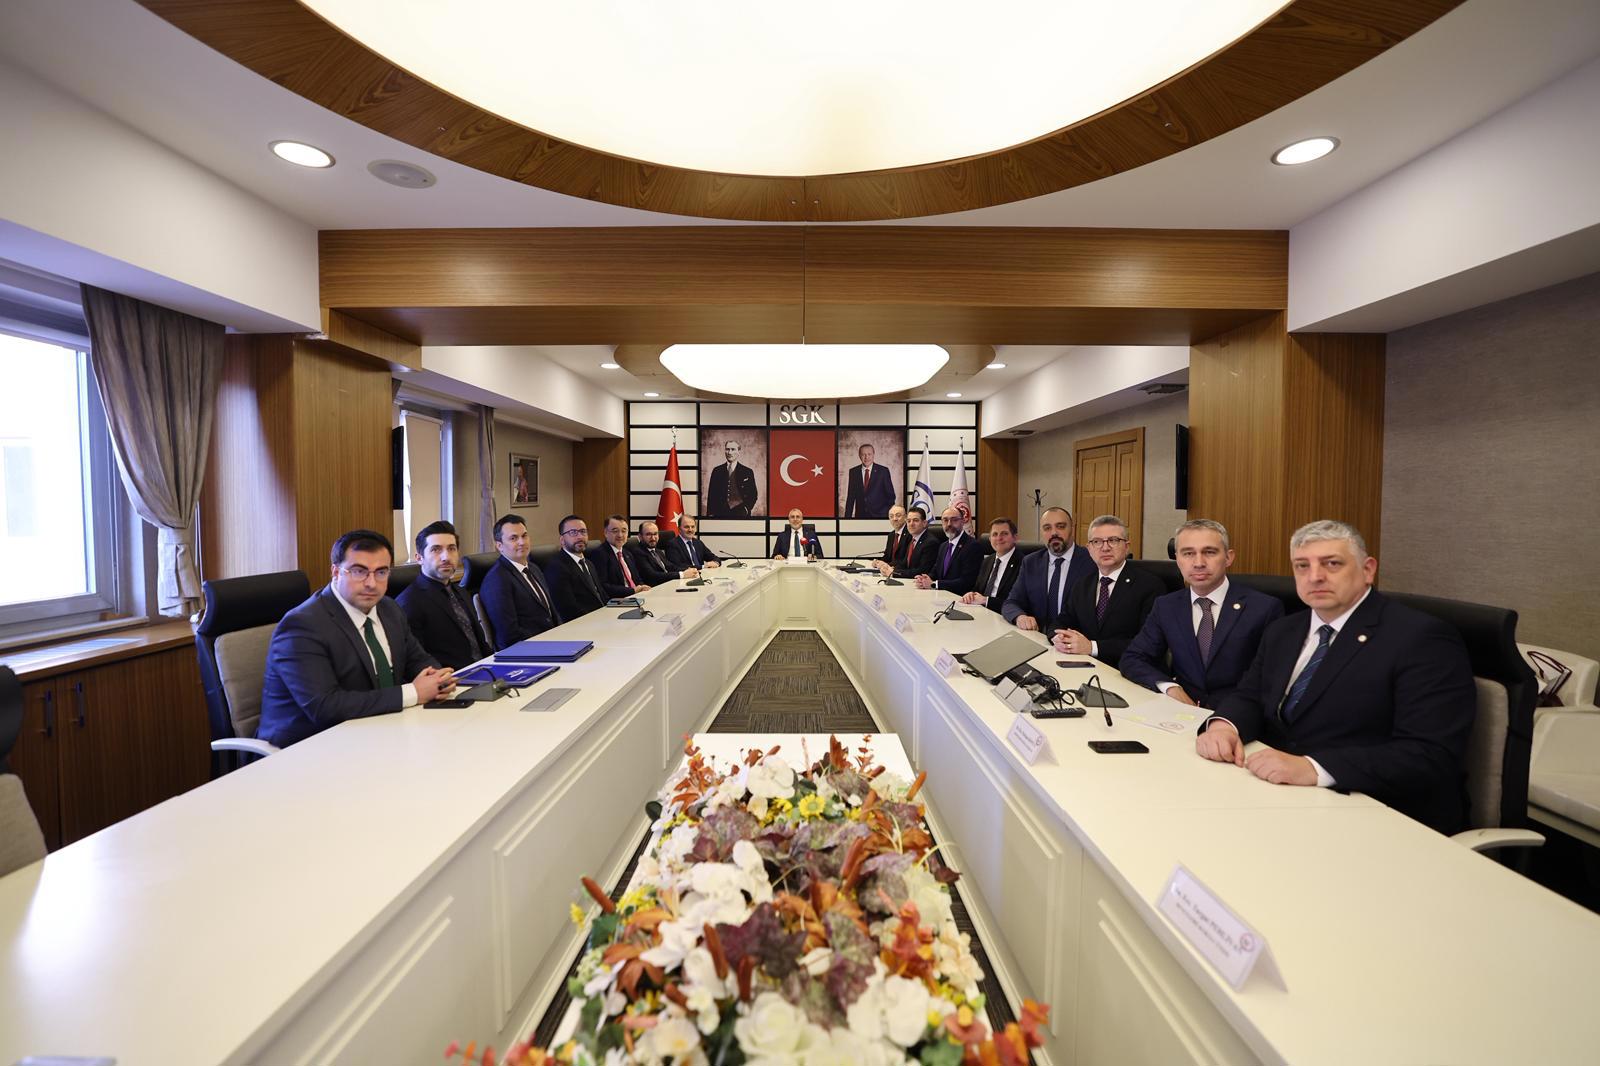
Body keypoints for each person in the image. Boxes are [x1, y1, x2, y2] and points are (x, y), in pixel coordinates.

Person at [1195, 520, 1477, 835]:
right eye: (1302, 566)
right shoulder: (1284, 630)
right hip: (1284, 800)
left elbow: (1429, 753)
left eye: (1332, 564)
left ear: (1368, 570)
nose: (1315, 576)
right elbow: (1251, 694)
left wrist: (1314, 768)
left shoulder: (1422, 638)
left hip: (1380, 814)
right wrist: (1225, 725)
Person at [258, 530, 453, 749]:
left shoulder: (388, 608)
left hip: (379, 731)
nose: (371, 583)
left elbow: (416, 658)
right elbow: (325, 707)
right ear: (336, 572)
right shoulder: (302, 626)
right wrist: (414, 692)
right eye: (359, 571)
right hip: (309, 747)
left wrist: (437, 678)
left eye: (381, 572)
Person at [1120, 519, 1284, 706]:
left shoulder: (1264, 608)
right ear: (1177, 559)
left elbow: (1271, 678)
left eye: (1209, 552)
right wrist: (1170, 687)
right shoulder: (1167, 606)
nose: (1198, 563)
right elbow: (1133, 658)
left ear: (1228, 557)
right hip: (1183, 713)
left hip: (1238, 716)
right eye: (1188, 553)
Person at [1052, 514, 1165, 667]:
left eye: (1113, 540)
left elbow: (1149, 643)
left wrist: (1092, 647)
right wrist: (1058, 637)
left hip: (1128, 671)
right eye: (1097, 542)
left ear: (1127, 546)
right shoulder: (1082, 585)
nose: (1105, 548)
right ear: (1089, 549)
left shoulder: (1150, 586)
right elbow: (1062, 621)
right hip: (1084, 667)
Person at [396, 519, 491, 669]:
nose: (446, 557)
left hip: (486, 669)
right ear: (419, 558)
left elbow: (481, 644)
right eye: (436, 550)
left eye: (452, 549)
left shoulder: (460, 591)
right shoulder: (409, 603)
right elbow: (415, 662)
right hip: (450, 678)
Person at [1002, 506, 1093, 631]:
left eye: (1060, 526)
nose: (1054, 533)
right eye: (1047, 528)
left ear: (1072, 529)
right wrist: (1020, 617)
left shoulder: (1091, 561)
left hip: (1076, 639)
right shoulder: (1030, 562)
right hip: (1037, 636)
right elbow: (1011, 602)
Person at [479, 513, 560, 649]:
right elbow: (509, 635)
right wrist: (547, 644)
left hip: (552, 642)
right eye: (513, 538)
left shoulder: (534, 568)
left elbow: (551, 614)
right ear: (499, 546)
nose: (522, 542)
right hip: (525, 651)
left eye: (524, 536)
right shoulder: (497, 580)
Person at [545, 514, 608, 621]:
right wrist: (599, 619)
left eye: (583, 531)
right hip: (584, 623)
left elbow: (601, 595)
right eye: (573, 532)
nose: (580, 537)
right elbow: (568, 609)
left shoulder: (589, 563)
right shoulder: (557, 568)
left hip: (603, 618)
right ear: (562, 540)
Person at [915, 506, 983, 594]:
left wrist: (935, 584)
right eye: (945, 520)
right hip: (940, 595)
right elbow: (936, 571)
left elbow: (967, 581)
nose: (949, 524)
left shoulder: (973, 546)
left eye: (954, 520)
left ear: (963, 521)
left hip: (960, 597)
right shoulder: (943, 546)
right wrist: (924, 579)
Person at [962, 517, 1024, 612]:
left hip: (1005, 615)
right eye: (995, 534)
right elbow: (978, 588)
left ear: (1015, 538)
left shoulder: (1024, 563)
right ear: (990, 539)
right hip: (981, 611)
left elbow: (1019, 602)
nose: (999, 538)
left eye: (1004, 534)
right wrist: (971, 594)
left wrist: (986, 601)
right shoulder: (987, 561)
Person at [592, 514, 651, 596]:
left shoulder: (627, 553)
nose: (620, 535)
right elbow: (603, 586)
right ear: (605, 533)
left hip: (636, 596)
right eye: (615, 531)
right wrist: (632, 591)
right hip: (619, 599)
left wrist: (642, 586)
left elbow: (637, 578)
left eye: (624, 531)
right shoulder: (599, 554)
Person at [876, 505, 940, 579]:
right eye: (909, 521)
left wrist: (894, 573)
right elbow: (904, 564)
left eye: (915, 520)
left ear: (924, 523)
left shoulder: (930, 542)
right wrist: (889, 569)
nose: (911, 524)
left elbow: (922, 571)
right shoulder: (913, 540)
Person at [628, 520, 700, 585]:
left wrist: (689, 570)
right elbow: (652, 575)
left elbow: (671, 567)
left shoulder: (658, 551)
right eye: (648, 534)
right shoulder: (638, 553)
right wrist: (682, 574)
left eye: (655, 534)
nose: (653, 538)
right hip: (654, 589)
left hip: (667, 584)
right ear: (640, 537)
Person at [705, 439, 758, 518]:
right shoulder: (717, 471)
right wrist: (710, 514)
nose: (729, 452)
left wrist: (746, 509)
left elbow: (753, 494)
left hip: (741, 514)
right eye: (727, 449)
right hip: (720, 513)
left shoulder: (747, 472)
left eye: (733, 449)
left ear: (738, 452)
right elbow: (711, 495)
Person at [843, 442, 896, 518]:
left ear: (873, 454)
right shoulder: (853, 472)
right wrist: (847, 519)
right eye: (863, 454)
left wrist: (887, 514)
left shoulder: (883, 471)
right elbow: (850, 497)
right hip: (861, 516)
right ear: (859, 456)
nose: (866, 457)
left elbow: (891, 496)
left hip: (880, 516)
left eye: (869, 454)